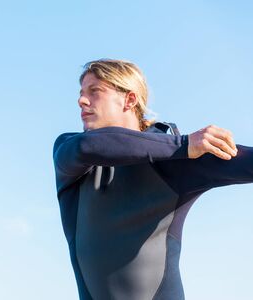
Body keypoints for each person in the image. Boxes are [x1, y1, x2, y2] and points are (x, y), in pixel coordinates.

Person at [52, 58, 253, 300]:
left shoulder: (177, 163)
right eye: (82, 93)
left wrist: (186, 148)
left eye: (95, 91)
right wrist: (184, 144)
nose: (82, 100)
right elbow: (87, 147)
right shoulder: (71, 154)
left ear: (130, 99)